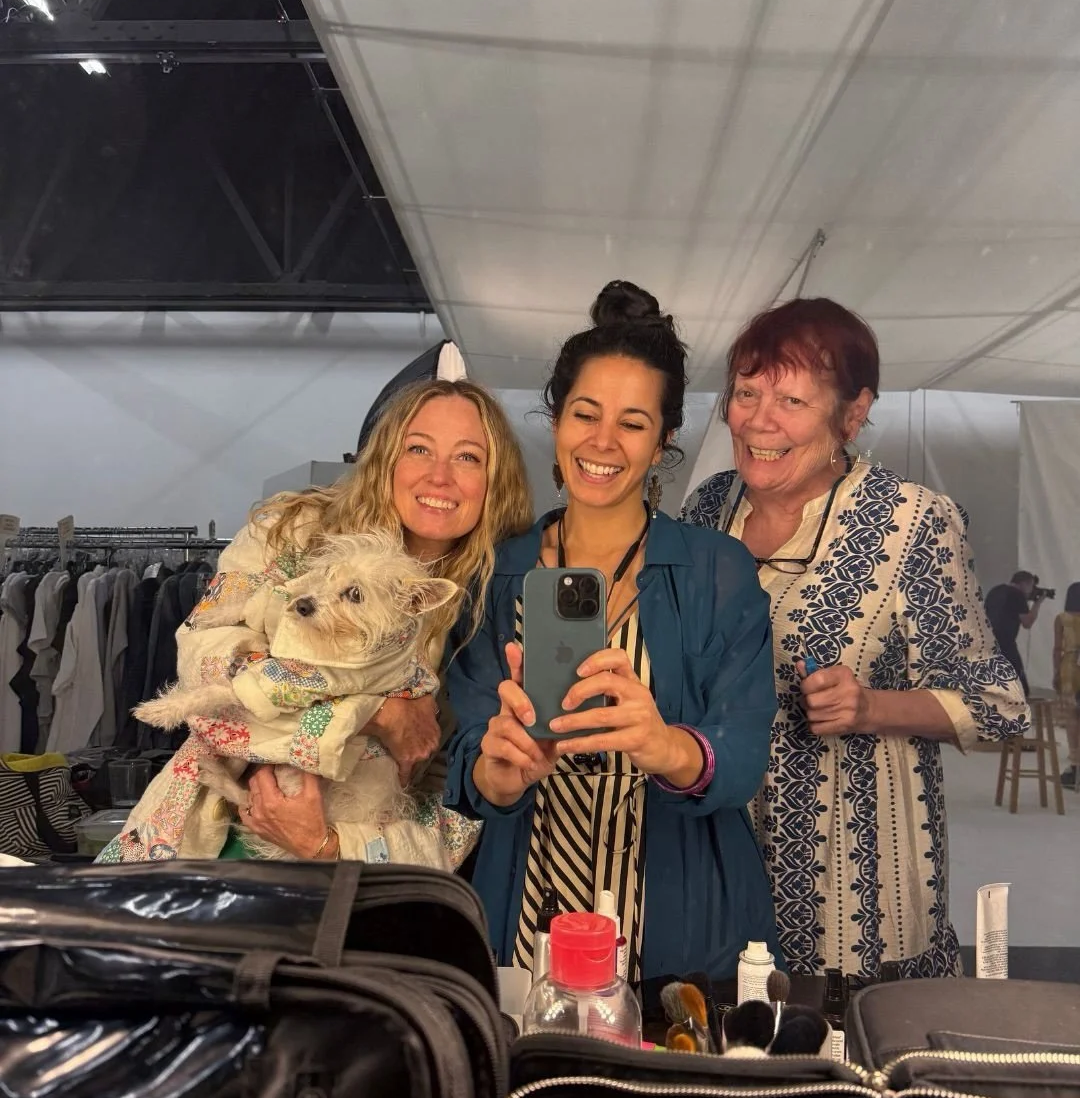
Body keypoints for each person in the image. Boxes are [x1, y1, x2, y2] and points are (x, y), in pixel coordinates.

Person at [444, 281, 780, 987]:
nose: (603, 442)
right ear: (557, 423)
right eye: (584, 414)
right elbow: (463, 750)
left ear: (662, 443)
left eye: (632, 423)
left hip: (681, 921)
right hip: (525, 905)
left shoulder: (716, 571)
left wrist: (670, 748)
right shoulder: (498, 571)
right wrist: (493, 772)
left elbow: (744, 750)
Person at [682, 297, 1028, 979]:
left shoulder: (912, 523)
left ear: (853, 412)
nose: (759, 420)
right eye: (746, 393)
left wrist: (871, 708)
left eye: (792, 400)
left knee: (851, 1068)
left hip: (856, 888)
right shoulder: (706, 509)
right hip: (717, 856)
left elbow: (999, 705)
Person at [99, 377, 533, 864]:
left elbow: (456, 811)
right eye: (418, 448)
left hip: (353, 883)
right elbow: (205, 658)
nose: (440, 476)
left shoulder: (489, 606)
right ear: (386, 457)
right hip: (210, 840)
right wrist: (377, 712)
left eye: (467, 457)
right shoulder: (291, 532)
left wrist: (327, 846)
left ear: (495, 479)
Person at [984, 571, 1044, 696]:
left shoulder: (995, 591)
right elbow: (1027, 623)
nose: (1030, 590)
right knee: (1019, 686)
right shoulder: (1017, 595)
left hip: (986, 641)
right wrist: (1038, 602)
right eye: (1031, 586)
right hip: (1005, 643)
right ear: (1024, 583)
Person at [1054, 582, 1080, 789]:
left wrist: (1055, 673)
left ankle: (1074, 764)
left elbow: (1057, 649)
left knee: (1072, 719)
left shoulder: (1062, 619)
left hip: (1069, 669)